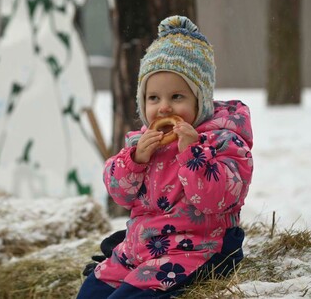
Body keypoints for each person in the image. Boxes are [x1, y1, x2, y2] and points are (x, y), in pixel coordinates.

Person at [77, 15, 254, 298]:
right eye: (153, 98)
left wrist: (192, 154)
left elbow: (215, 199)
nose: (164, 108)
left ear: (201, 100)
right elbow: (120, 194)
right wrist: (135, 161)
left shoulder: (224, 141)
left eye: (177, 97)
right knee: (91, 292)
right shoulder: (144, 143)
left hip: (199, 247)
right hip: (146, 245)